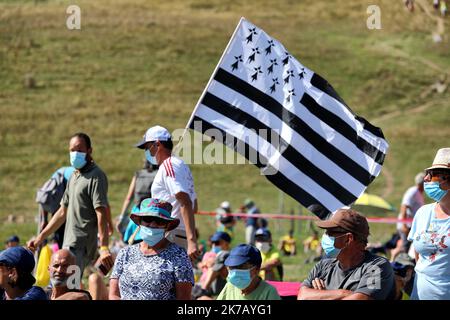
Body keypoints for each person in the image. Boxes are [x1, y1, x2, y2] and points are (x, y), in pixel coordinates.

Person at [28, 132, 114, 281]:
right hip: (68, 244)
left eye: (79, 150)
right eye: (72, 150)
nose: (75, 154)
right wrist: (40, 238)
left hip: (81, 245)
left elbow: (101, 212)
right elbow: (62, 212)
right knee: (64, 288)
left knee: (66, 287)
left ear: (89, 151)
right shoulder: (74, 176)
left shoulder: (96, 176)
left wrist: (104, 247)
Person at [298, 209, 396, 300]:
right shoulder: (322, 267)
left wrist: (320, 295)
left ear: (348, 239)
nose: (325, 236)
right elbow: (302, 296)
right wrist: (343, 294)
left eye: (330, 232)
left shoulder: (376, 267)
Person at [135, 125, 199, 261]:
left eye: (147, 147)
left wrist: (191, 239)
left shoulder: (168, 166)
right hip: (177, 233)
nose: (147, 152)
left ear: (157, 145)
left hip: (172, 234)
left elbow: (185, 201)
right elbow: (194, 206)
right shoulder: (181, 165)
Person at [109, 198, 194, 300]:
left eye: (159, 221)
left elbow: (184, 299)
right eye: (148, 219)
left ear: (167, 225)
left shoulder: (179, 255)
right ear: (139, 221)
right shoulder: (125, 253)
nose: (153, 225)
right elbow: (114, 295)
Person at [407, 148, 450, 300]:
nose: (425, 179)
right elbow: (420, 258)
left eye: (431, 175)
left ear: (447, 179)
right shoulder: (422, 213)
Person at [217, 244, 281, 300]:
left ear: (256, 270)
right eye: (232, 267)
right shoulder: (230, 286)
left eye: (241, 266)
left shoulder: (269, 292)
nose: (235, 272)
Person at [116, 158, 158, 244]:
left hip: (137, 216)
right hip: (154, 217)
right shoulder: (159, 175)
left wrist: (121, 217)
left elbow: (129, 198)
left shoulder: (138, 175)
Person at [38, 166, 76, 249]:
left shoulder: (60, 174)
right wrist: (44, 220)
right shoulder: (75, 175)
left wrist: (44, 220)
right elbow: (45, 197)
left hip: (60, 204)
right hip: (61, 206)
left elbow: (44, 198)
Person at [392, 172, 425, 261]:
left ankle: (394, 259)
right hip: (407, 226)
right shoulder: (413, 191)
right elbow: (404, 206)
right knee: (406, 246)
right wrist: (404, 225)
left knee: (405, 245)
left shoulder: (419, 193)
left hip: (411, 225)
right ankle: (401, 266)